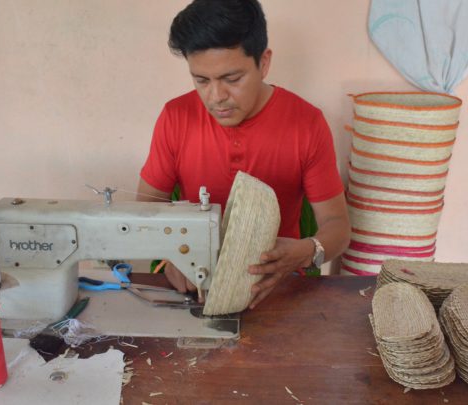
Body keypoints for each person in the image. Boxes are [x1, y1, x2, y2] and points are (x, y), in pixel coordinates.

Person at [137, 0, 349, 309]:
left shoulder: (306, 123)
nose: (216, 97)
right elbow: (144, 213)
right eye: (201, 80)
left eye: (232, 79)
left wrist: (304, 251)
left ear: (264, 63)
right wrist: (171, 256)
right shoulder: (176, 117)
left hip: (275, 290)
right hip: (194, 291)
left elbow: (338, 227)